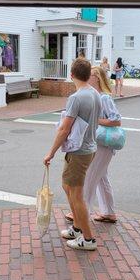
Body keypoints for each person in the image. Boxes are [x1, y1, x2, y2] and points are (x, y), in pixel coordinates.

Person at [43, 58, 101, 251]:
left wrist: (50, 152)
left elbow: (64, 129)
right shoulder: (94, 94)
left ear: (72, 75)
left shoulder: (76, 98)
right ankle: (77, 227)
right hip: (87, 148)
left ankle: (88, 239)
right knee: (67, 186)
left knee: (77, 195)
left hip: (79, 151)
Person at [65, 66, 121, 223]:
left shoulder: (104, 97)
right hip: (100, 143)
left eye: (89, 75)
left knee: (90, 176)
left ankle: (82, 211)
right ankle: (108, 212)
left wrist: (94, 120)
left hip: (103, 144)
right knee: (101, 178)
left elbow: (116, 120)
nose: (86, 78)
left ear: (97, 77)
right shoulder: (95, 96)